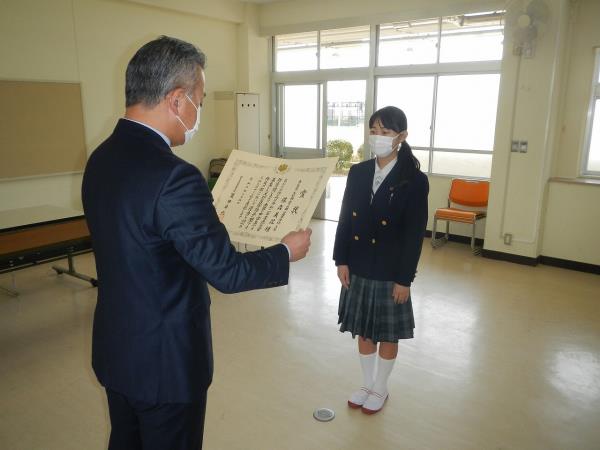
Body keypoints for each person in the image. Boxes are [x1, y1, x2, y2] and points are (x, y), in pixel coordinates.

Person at [82, 36, 312, 450]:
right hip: (165, 364)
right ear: (176, 100)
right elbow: (228, 272)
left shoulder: (101, 158)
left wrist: (195, 226)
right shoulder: (176, 176)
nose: (198, 113)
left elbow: (138, 239)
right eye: (199, 102)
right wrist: (285, 252)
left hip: (118, 350)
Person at [333, 106, 428, 415]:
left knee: (386, 332)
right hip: (359, 263)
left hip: (390, 269)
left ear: (401, 137)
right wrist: (341, 259)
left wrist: (404, 280)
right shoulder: (358, 172)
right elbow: (345, 218)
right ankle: (367, 382)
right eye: (374, 130)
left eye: (385, 132)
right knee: (363, 329)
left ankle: (381, 387)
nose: (378, 137)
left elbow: (414, 235)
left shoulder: (413, 180)